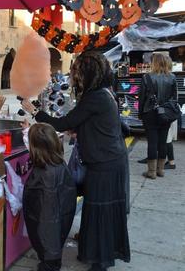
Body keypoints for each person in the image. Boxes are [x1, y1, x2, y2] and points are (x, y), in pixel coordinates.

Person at [22, 51, 130, 271]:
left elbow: (62, 123)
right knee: (97, 210)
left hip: (105, 163)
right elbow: (97, 123)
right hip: (109, 160)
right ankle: (96, 253)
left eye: (77, 72)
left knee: (101, 211)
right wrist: (81, 129)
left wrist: (34, 111)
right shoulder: (104, 92)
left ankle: (100, 261)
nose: (74, 76)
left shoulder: (95, 97)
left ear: (88, 72)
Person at [23, 123, 76, 271]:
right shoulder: (58, 163)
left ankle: (49, 264)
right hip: (58, 224)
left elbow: (45, 220)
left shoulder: (44, 174)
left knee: (49, 243)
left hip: (47, 232)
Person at [138, 53, 177, 179]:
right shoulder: (172, 77)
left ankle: (151, 172)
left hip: (150, 113)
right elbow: (174, 99)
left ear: (154, 63)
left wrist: (140, 113)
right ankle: (161, 170)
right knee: (163, 142)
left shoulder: (146, 77)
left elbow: (142, 98)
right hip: (165, 114)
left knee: (152, 142)